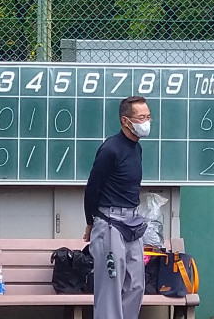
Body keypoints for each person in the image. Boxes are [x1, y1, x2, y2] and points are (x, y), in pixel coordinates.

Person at [83, 96, 151, 319]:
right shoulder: (110, 149)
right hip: (110, 223)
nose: (146, 122)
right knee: (110, 289)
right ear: (125, 121)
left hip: (133, 223)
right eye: (141, 117)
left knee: (136, 285)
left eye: (148, 117)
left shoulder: (137, 149)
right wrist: (90, 223)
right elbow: (92, 188)